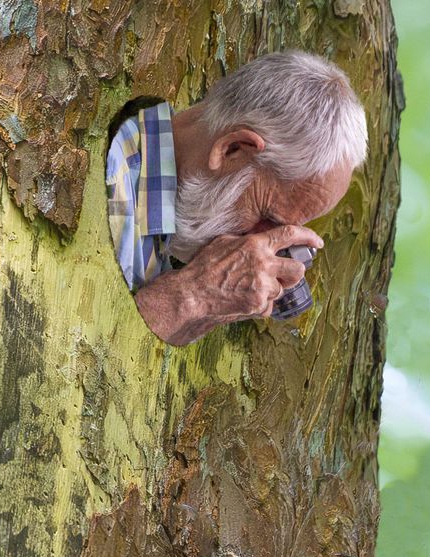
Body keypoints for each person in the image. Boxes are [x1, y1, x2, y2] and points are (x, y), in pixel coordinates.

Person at [106, 50, 368, 346]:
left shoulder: (162, 232)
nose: (263, 247)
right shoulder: (112, 176)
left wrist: (209, 305)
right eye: (270, 219)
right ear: (232, 149)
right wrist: (193, 294)